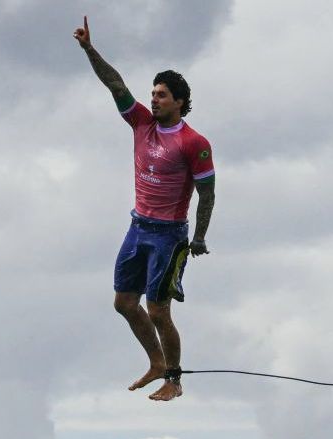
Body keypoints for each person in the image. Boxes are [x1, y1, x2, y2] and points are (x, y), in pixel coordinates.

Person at [74, 16, 215, 401]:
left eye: (162, 95)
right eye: (152, 93)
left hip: (169, 235)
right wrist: (89, 49)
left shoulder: (193, 142)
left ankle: (174, 378)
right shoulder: (141, 123)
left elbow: (207, 193)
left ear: (180, 102)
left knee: (158, 310)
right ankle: (155, 362)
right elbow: (115, 83)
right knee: (123, 303)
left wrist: (199, 236)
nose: (153, 99)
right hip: (138, 227)